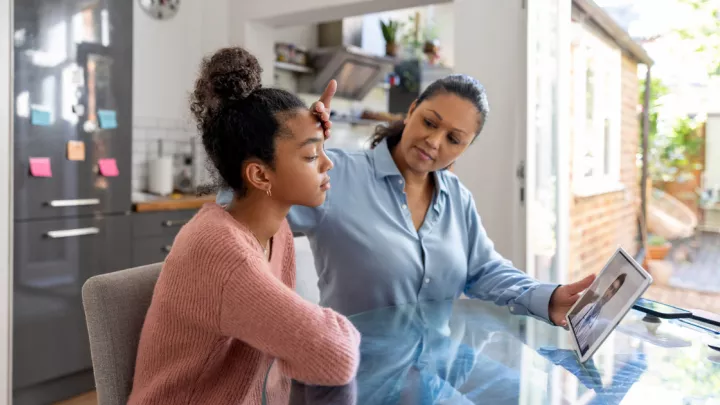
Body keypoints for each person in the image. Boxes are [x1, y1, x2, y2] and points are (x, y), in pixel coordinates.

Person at [217, 74, 595, 325]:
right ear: (411, 111)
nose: (434, 141)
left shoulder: (457, 199)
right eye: (430, 123)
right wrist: (295, 146)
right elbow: (235, 210)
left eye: (454, 138)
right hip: (351, 377)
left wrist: (548, 298)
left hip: (437, 379)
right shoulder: (337, 175)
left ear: (465, 148)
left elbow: (483, 271)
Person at [128, 47, 361, 405]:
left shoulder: (273, 230)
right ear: (258, 174)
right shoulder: (220, 249)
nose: (327, 164)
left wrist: (304, 132)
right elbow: (336, 355)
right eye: (312, 156)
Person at [572, 273, 627, 353]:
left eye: (614, 292)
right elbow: (572, 325)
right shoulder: (588, 306)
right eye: (610, 287)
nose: (609, 293)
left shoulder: (605, 322)